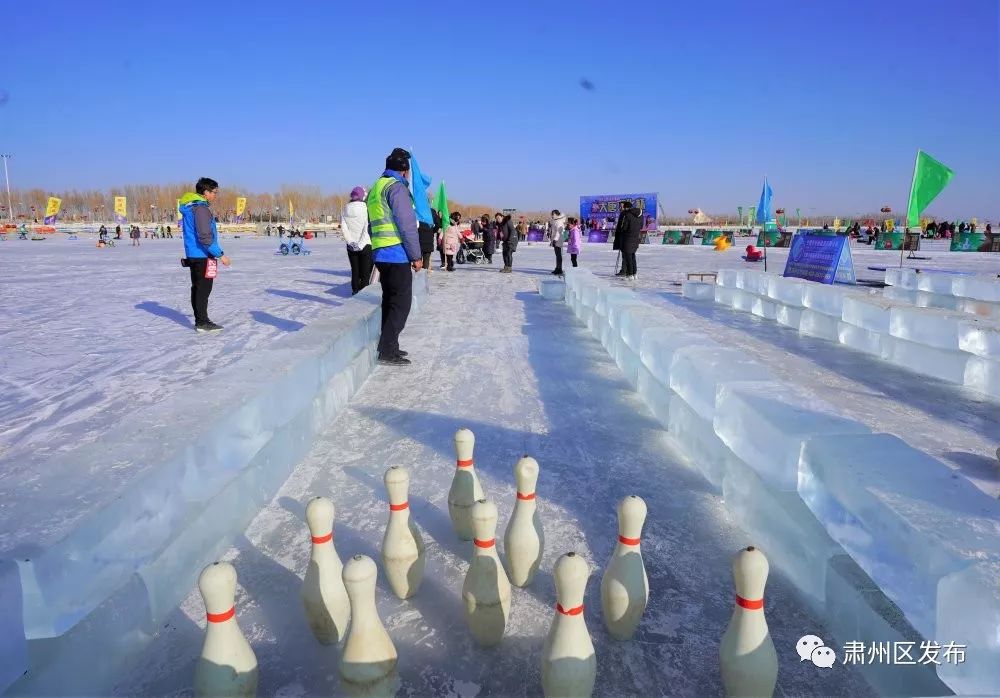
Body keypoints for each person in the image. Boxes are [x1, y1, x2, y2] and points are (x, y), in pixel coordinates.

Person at [366, 148, 422, 366]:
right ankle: (388, 350)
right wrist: (416, 256)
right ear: (405, 170)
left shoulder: (376, 187)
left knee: (389, 301)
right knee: (401, 304)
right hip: (396, 253)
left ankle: (390, 345)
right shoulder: (396, 188)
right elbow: (407, 225)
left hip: (380, 252)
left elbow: (372, 224)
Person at [179, 177, 230, 332]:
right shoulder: (201, 209)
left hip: (195, 254)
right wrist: (220, 254)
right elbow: (204, 236)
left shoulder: (192, 207)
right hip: (202, 255)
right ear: (205, 192)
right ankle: (202, 322)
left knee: (198, 288)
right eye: (214, 192)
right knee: (203, 289)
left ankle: (201, 320)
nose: (215, 195)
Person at [341, 186, 372, 295]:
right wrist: (361, 244)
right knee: (365, 272)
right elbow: (366, 228)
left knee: (355, 270)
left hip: (351, 246)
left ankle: (355, 290)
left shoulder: (346, 208)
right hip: (365, 245)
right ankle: (364, 293)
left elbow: (343, 227)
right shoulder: (365, 208)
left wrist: (351, 242)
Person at [617, 201, 643, 280]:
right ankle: (635, 274)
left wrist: (620, 230)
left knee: (628, 257)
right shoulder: (640, 215)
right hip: (635, 238)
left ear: (626, 207)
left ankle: (630, 274)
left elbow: (623, 228)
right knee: (632, 256)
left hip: (627, 239)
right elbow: (641, 226)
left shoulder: (627, 215)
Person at [419, 205, 438, 273]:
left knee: (418, 259)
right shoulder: (432, 211)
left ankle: (418, 276)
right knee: (426, 259)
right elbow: (437, 224)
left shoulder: (417, 209)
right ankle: (424, 275)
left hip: (418, 238)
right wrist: (432, 231)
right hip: (428, 238)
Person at [548, 209, 566, 275]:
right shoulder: (555, 221)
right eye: (551, 214)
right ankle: (557, 268)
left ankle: (559, 269)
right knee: (557, 255)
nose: (552, 216)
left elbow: (559, 232)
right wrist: (552, 240)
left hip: (558, 240)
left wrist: (555, 239)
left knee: (559, 255)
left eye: (553, 214)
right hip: (555, 240)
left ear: (556, 214)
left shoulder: (559, 222)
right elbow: (553, 232)